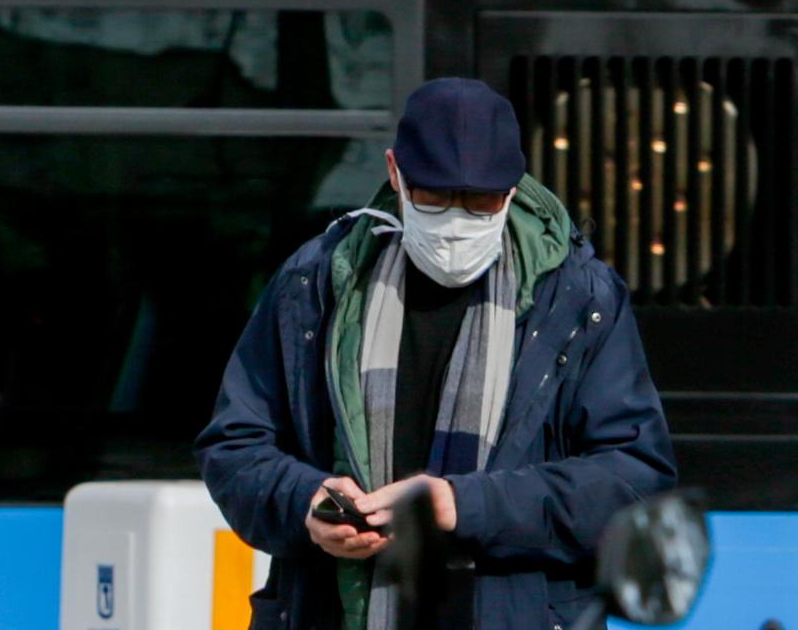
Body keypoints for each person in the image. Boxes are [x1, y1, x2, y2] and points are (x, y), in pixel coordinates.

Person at [194, 78, 676, 630]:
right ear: (395, 172)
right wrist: (306, 502)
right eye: (434, 197)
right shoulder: (316, 282)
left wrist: (461, 506)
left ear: (513, 189)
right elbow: (234, 446)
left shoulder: (576, 298)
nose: (455, 222)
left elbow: (634, 477)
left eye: (480, 201)